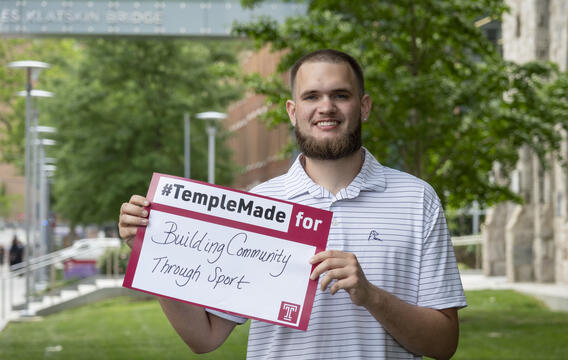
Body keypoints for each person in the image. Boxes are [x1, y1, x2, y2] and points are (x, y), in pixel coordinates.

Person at [119, 49, 466, 359]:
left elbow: (443, 343)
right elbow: (204, 337)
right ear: (293, 110)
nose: (326, 107)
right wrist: (149, 250)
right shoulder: (259, 205)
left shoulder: (417, 199)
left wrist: (370, 295)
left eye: (340, 95)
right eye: (311, 96)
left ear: (364, 106)